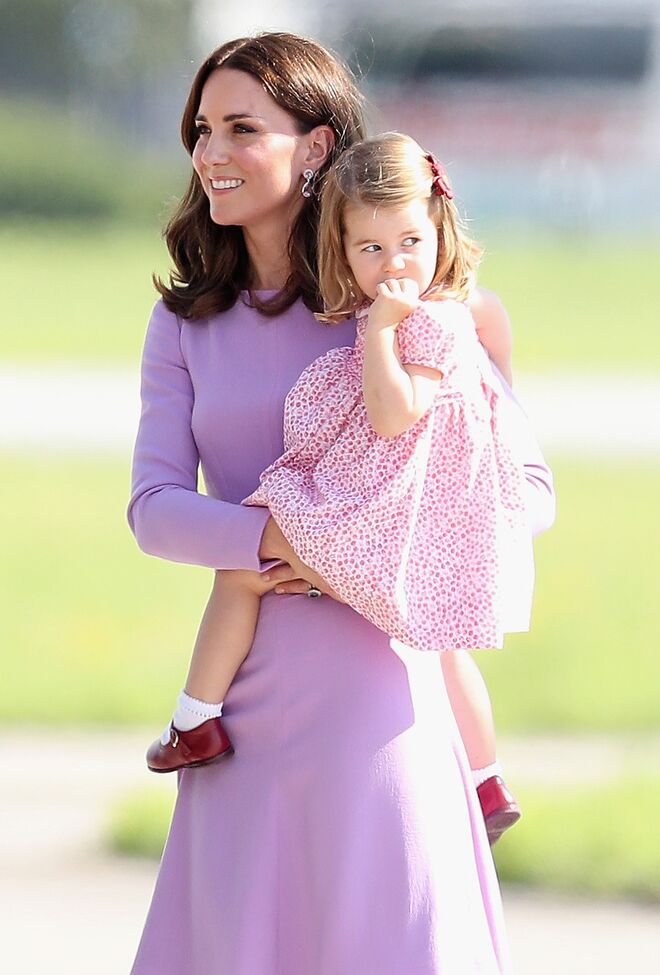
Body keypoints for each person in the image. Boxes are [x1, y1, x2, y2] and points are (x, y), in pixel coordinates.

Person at [128, 32, 555, 974]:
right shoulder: (185, 321)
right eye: (202, 129)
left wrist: (388, 538)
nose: (210, 153)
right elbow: (154, 507)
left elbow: (529, 493)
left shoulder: (427, 309)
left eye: (243, 127)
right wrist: (287, 538)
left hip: (385, 698)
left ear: (316, 147)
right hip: (237, 712)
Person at [144, 130, 534, 844]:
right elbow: (151, 507)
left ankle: (193, 717)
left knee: (243, 574)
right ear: (343, 247)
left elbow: (400, 419)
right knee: (446, 646)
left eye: (410, 242)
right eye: (371, 250)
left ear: (439, 231)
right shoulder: (194, 324)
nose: (393, 268)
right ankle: (485, 776)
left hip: (382, 514)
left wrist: (381, 333)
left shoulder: (431, 323)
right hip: (387, 521)